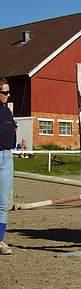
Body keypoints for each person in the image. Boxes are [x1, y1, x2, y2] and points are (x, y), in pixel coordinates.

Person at [0, 77, 15, 255]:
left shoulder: (7, 111)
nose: (8, 95)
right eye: (4, 92)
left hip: (6, 158)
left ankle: (0, 241)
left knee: (3, 204)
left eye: (8, 92)